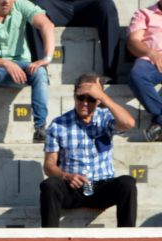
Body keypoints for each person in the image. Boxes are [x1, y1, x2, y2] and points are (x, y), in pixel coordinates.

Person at [40, 74, 136, 228]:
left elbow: (129, 124)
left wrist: (103, 97)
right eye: (81, 98)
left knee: (127, 183)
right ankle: (50, 238)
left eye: (91, 98)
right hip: (72, 188)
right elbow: (49, 166)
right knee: (49, 185)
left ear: (98, 100)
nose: (85, 103)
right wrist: (66, 176)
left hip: (102, 187)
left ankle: (127, 239)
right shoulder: (58, 124)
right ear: (74, 96)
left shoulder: (105, 118)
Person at [0, 0, 54, 146]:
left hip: (21, 65)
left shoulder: (21, 5)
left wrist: (47, 58)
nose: (6, 1)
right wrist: (5, 63)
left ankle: (40, 128)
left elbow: (47, 25)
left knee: (40, 72)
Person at [30, 1, 120, 84]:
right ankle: (40, 75)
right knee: (34, 10)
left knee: (107, 5)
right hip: (56, 5)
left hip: (88, 6)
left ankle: (110, 75)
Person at [126, 2, 162, 143]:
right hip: (150, 60)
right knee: (137, 76)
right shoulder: (144, 14)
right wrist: (151, 53)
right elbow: (133, 42)